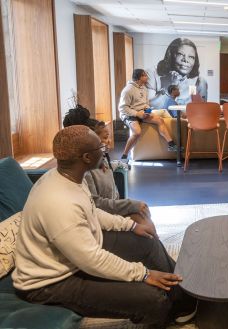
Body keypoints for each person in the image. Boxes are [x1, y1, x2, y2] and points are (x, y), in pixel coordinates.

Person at [12, 126, 196, 327]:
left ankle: (183, 300)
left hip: (76, 256)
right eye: (100, 145)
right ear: (87, 158)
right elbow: (92, 259)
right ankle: (165, 307)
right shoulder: (58, 203)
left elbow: (90, 211)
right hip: (50, 283)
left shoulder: (68, 177)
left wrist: (131, 225)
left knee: (147, 242)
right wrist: (143, 274)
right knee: (154, 298)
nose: (106, 146)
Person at [62, 108, 151, 219]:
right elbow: (96, 204)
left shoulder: (101, 158)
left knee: (144, 215)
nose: (108, 141)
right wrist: (129, 207)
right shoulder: (85, 171)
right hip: (105, 217)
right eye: (104, 138)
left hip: (114, 210)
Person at [119, 69, 178, 161]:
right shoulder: (128, 90)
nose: (147, 77)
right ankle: (125, 155)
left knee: (160, 120)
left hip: (142, 113)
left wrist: (147, 109)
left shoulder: (144, 88)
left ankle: (171, 144)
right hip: (129, 114)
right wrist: (137, 114)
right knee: (137, 132)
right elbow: (122, 108)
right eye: (145, 75)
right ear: (139, 77)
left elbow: (145, 103)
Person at [147, 38, 208, 108]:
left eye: (191, 57)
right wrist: (170, 87)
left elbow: (199, 106)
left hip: (184, 116)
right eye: (180, 54)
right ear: (171, 55)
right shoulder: (153, 74)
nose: (186, 60)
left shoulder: (198, 81)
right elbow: (152, 105)